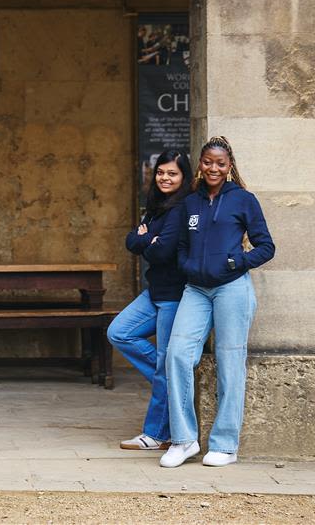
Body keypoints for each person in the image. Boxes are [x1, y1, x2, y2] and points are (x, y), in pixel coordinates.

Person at [160, 136, 275, 468]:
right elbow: (182, 244)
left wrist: (233, 263)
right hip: (195, 290)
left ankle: (225, 445)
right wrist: (188, 265)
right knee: (177, 354)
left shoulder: (243, 200)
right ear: (200, 164)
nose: (213, 168)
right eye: (208, 162)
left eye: (220, 163)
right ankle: (184, 441)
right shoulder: (191, 203)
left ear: (229, 167)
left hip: (232, 289)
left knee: (230, 362)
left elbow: (266, 246)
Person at [108, 150, 193, 451]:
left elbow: (162, 251)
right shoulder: (156, 206)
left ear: (184, 177)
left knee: (164, 365)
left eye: (172, 173)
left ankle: (156, 434)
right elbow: (133, 241)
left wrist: (147, 239)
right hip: (154, 291)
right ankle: (167, 380)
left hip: (173, 295)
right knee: (119, 332)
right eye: (161, 172)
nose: (165, 178)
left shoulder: (182, 208)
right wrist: (147, 239)